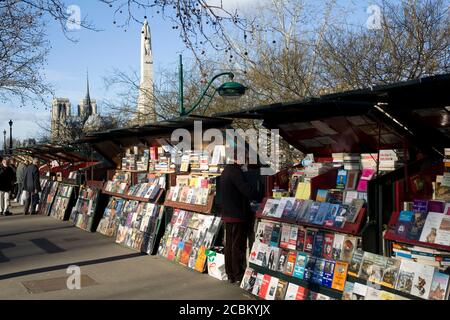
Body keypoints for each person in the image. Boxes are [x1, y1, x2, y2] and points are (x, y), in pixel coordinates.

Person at [219, 158, 257, 284]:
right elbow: (246, 190)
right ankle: (238, 274)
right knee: (237, 246)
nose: (245, 161)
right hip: (236, 215)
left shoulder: (226, 170)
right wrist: (257, 193)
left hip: (228, 214)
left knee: (229, 245)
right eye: (244, 158)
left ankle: (230, 274)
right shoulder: (235, 171)